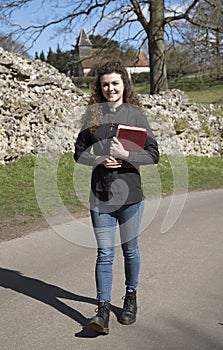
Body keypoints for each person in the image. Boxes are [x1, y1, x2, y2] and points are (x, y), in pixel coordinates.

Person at [74, 60, 159, 335]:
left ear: (124, 85)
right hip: (100, 196)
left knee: (130, 250)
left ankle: (130, 297)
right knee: (104, 253)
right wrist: (98, 158)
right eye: (105, 84)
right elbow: (79, 153)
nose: (110, 88)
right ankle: (102, 309)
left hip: (131, 196)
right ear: (100, 88)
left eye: (115, 83)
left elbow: (153, 154)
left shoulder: (136, 116)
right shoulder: (92, 117)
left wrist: (127, 156)